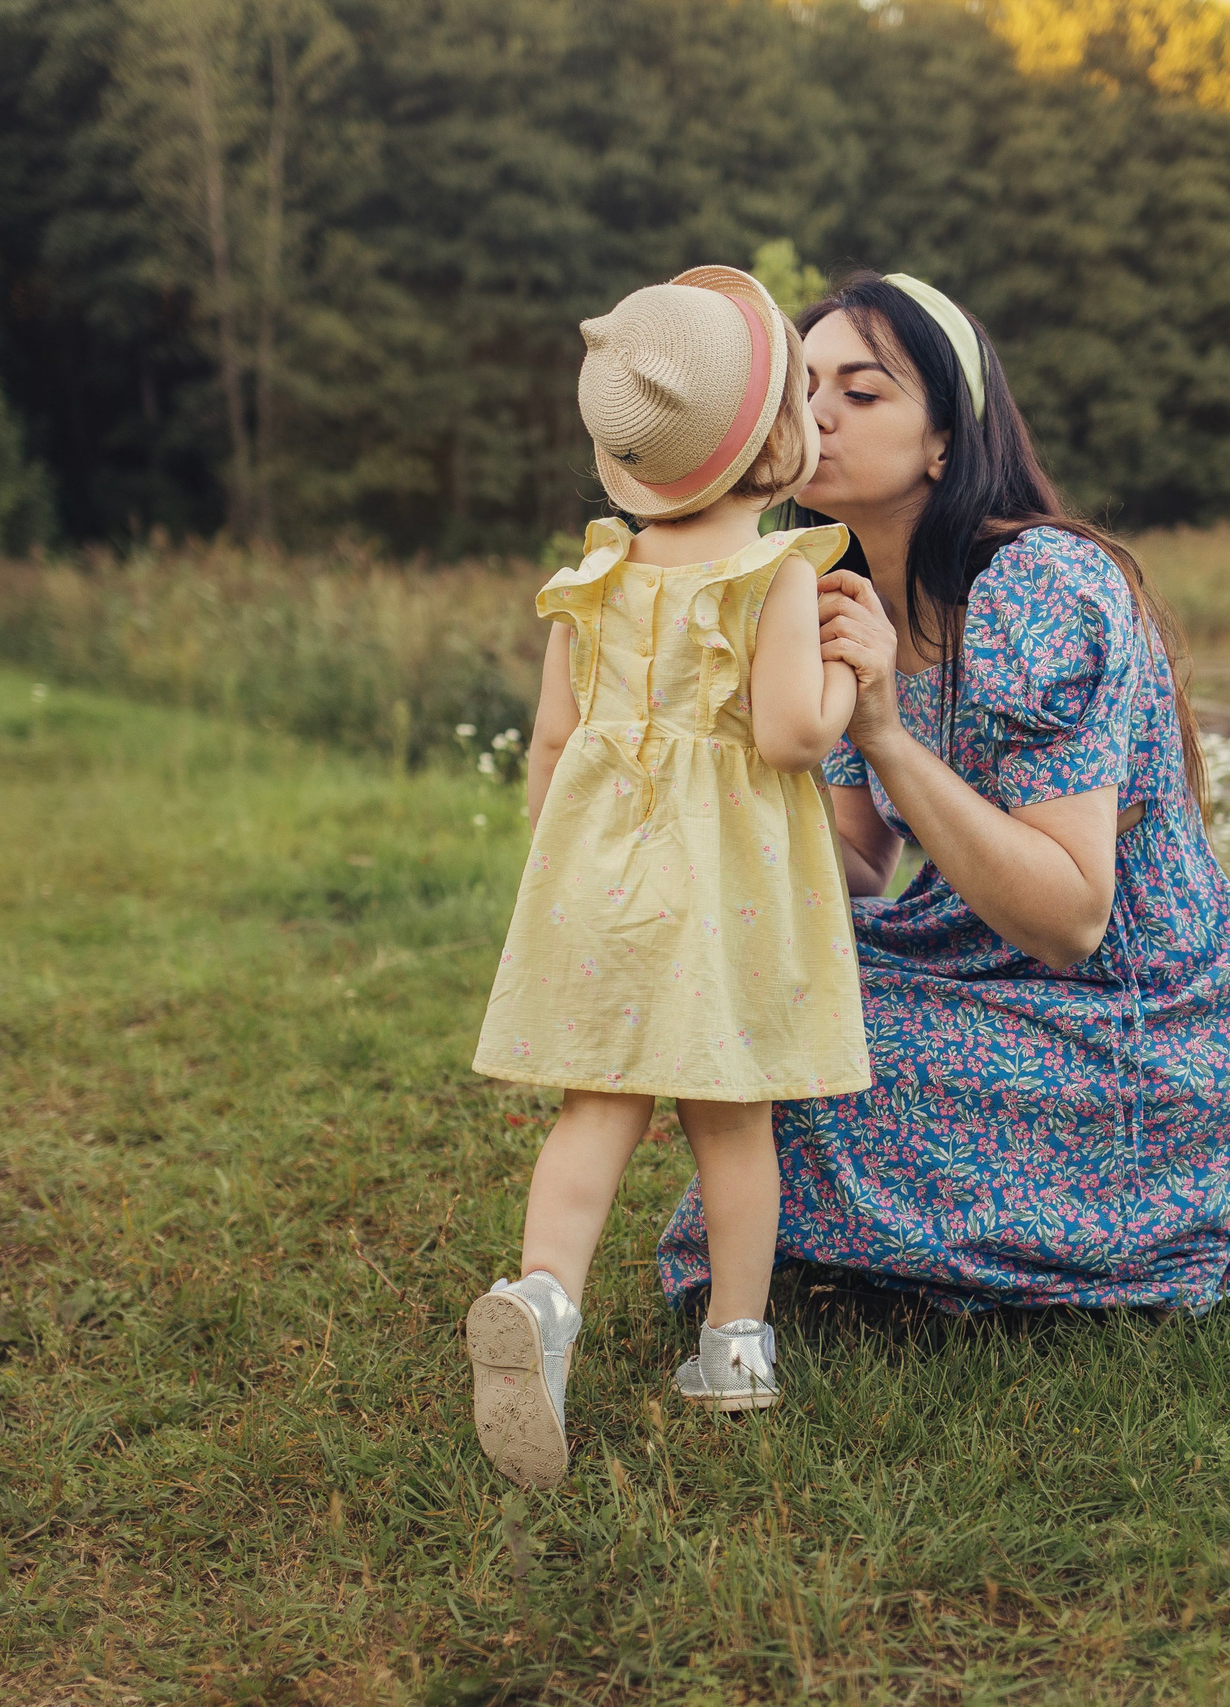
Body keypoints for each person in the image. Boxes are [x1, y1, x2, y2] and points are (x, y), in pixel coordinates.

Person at [656, 272, 1230, 1314]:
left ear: (945, 443)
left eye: (861, 395)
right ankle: (854, 1248)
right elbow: (862, 858)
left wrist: (881, 733)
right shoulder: (832, 589)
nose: (816, 417)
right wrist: (708, 834)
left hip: (1142, 1033)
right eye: (803, 390)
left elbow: (1069, 919)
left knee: (795, 1031)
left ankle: (1083, 1230)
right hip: (974, 966)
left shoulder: (1040, 586)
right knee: (736, 974)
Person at [466, 265, 869, 1489]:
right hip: (730, 892)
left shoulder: (590, 577)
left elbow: (551, 742)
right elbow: (796, 735)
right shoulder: (778, 576)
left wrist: (557, 871)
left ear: (631, 461)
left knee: (596, 1111)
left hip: (602, 884)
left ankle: (543, 1303)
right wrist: (860, 683)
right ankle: (732, 1353)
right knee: (735, 1121)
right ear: (779, 443)